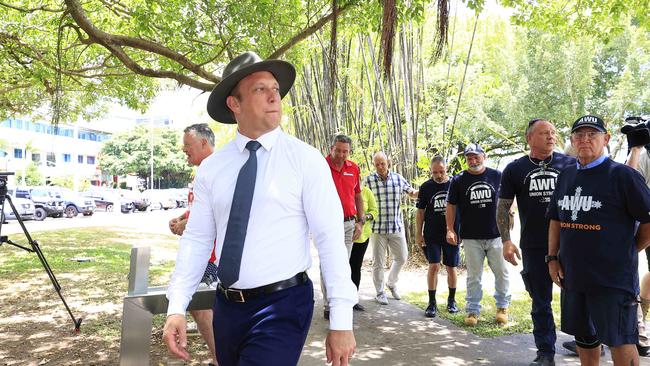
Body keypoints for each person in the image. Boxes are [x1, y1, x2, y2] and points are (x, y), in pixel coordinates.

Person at [163, 51, 357, 366]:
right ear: (234, 103)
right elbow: (197, 239)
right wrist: (176, 307)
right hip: (227, 306)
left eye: (275, 89)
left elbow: (330, 240)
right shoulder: (213, 169)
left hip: (283, 305)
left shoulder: (305, 160)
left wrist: (341, 320)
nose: (273, 96)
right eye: (260, 90)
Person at [547, 115, 650, 366]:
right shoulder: (565, 176)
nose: (585, 140)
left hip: (613, 280)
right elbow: (556, 220)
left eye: (592, 134)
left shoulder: (623, 176)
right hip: (574, 276)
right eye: (579, 135)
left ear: (606, 139)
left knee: (620, 340)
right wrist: (552, 258)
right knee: (585, 339)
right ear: (571, 140)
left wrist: (629, 249)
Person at [496, 119, 574, 366]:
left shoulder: (569, 164)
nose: (551, 137)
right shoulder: (515, 169)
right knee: (540, 302)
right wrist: (506, 241)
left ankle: (588, 340)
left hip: (570, 243)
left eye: (553, 132)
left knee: (579, 296)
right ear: (529, 138)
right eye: (544, 133)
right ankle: (545, 353)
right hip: (534, 245)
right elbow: (503, 207)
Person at [167, 123, 218, 366]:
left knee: (200, 307)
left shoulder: (216, 169)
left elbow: (219, 216)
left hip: (213, 256)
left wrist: (186, 226)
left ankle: (221, 359)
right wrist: (183, 218)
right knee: (202, 308)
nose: (183, 149)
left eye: (187, 145)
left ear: (204, 144)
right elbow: (200, 211)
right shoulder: (204, 170)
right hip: (204, 254)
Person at [446, 143, 510, 327]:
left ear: (484, 156)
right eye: (469, 158)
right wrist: (450, 228)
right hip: (471, 235)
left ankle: (502, 307)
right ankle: (473, 310)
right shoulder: (458, 180)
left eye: (476, 157)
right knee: (474, 275)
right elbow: (450, 205)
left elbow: (508, 199)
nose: (473, 161)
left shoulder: (497, 175)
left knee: (501, 272)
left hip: (496, 233)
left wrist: (510, 215)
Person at [364, 152, 418, 305]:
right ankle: (380, 292)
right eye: (377, 164)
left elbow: (411, 192)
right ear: (374, 165)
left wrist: (425, 191)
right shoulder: (368, 181)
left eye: (383, 163)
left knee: (402, 257)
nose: (381, 167)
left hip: (396, 226)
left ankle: (391, 283)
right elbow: (360, 199)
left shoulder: (398, 178)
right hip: (377, 228)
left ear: (388, 162)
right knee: (378, 263)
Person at [322, 134, 365, 318]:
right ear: (331, 148)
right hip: (328, 223)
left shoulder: (353, 168)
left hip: (349, 223)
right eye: (338, 150)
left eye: (345, 151)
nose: (341, 155)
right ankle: (328, 305)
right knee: (328, 264)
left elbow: (358, 196)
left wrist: (360, 222)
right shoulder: (321, 166)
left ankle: (341, 302)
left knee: (343, 265)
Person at [415, 155, 460, 318]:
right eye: (435, 172)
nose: (439, 175)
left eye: (441, 171)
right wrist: (418, 234)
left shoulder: (455, 184)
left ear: (446, 169)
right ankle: (432, 303)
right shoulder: (426, 187)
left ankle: (451, 301)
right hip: (432, 233)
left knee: (451, 267)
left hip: (452, 233)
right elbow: (420, 212)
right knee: (434, 266)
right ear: (431, 171)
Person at [349, 185, 377, 309]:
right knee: (343, 268)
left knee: (355, 267)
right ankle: (340, 299)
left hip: (362, 237)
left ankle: (353, 299)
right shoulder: (343, 188)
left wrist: (366, 217)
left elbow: (374, 210)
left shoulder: (366, 191)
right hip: (345, 235)